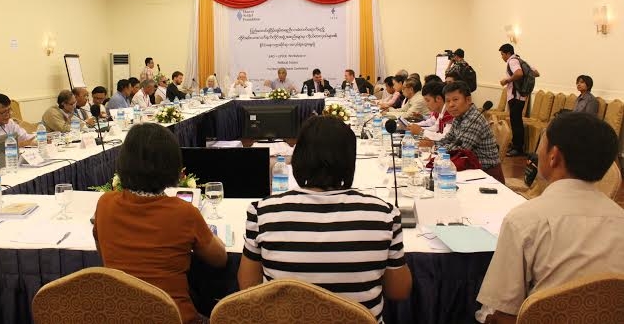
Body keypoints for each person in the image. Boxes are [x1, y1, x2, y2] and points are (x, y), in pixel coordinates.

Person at [237, 116, 412, 320]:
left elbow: (247, 287)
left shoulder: (263, 212)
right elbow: (399, 291)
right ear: (349, 160)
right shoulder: (384, 215)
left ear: (299, 157)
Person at [478, 112, 624, 324]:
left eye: (541, 143)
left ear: (553, 156)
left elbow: (504, 312)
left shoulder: (523, 220)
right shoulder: (619, 218)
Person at [93, 123, 227, 324]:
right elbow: (219, 259)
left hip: (120, 316)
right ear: (172, 166)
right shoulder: (183, 212)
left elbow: (103, 252)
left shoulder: (105, 203)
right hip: (174, 317)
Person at [437, 81, 504, 183]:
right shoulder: (458, 116)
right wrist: (433, 145)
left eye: (455, 100)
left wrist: (437, 149)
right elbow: (448, 139)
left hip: (488, 175)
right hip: (471, 169)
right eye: (447, 101)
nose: (451, 105)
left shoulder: (474, 119)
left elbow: (460, 150)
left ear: (468, 100)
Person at [499, 44, 540, 156]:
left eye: (502, 54)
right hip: (521, 96)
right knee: (517, 121)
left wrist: (507, 80)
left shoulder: (512, 61)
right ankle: (516, 145)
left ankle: (517, 148)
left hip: (515, 96)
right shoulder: (520, 60)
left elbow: (519, 73)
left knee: (515, 122)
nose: (502, 57)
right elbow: (536, 73)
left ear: (508, 53)